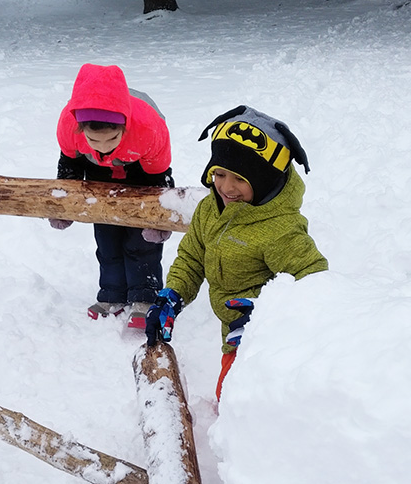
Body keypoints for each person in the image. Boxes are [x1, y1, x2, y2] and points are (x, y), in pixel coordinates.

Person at [145, 105, 328, 400]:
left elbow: (314, 282)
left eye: (240, 179)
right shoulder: (211, 208)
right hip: (231, 336)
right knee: (227, 398)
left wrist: (264, 316)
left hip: (267, 346)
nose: (226, 187)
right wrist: (173, 295)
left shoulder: (280, 230)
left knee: (238, 403)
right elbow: (192, 257)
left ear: (265, 180)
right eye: (219, 173)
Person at [51, 63, 175, 328]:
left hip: (141, 169)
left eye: (111, 139)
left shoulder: (149, 130)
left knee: (141, 240)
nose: (104, 148)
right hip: (95, 172)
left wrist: (157, 219)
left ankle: (145, 297)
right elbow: (70, 165)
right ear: (79, 128)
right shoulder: (67, 126)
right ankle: (112, 294)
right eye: (95, 141)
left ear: (125, 128)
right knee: (106, 236)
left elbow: (160, 175)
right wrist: (65, 204)